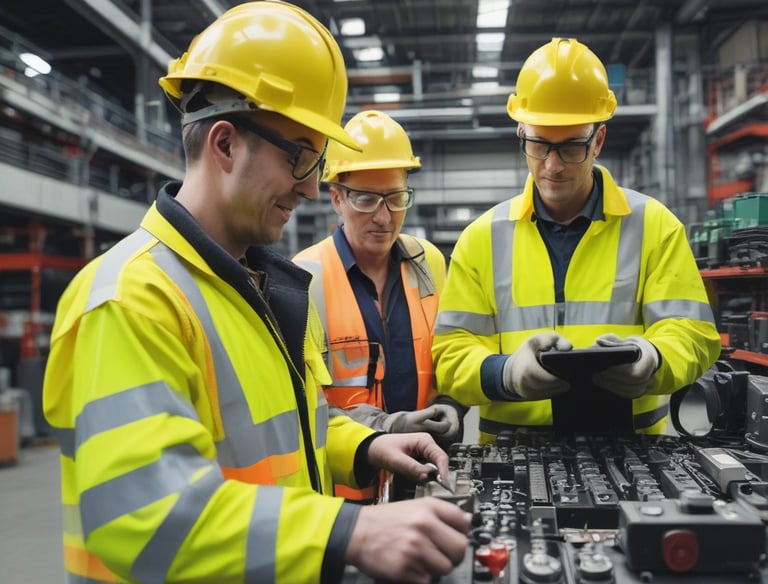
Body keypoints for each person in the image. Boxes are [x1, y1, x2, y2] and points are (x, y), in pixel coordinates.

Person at [42, 3, 470, 583]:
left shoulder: (255, 286)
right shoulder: (129, 301)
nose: (314, 188)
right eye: (301, 155)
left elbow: (292, 430)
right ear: (224, 145)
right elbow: (144, 514)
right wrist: (348, 530)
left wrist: (367, 446)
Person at [432, 37, 721, 443]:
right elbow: (450, 356)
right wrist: (507, 373)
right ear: (521, 133)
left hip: (632, 451)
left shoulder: (654, 226)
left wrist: (652, 359)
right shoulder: (482, 237)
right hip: (511, 451)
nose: (552, 165)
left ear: (598, 140)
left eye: (571, 147)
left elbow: (693, 334)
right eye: (538, 145)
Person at [293, 110, 467, 502]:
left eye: (395, 198)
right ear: (336, 197)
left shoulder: (429, 263)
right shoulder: (303, 280)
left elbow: (449, 355)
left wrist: (451, 407)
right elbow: (305, 409)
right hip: (346, 497)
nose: (384, 217)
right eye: (366, 199)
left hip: (425, 481)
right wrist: (388, 426)